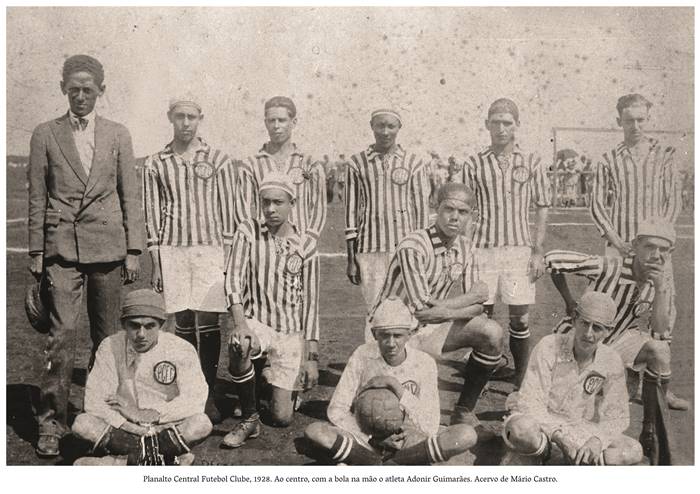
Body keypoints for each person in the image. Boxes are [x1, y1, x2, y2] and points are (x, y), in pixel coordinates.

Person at [27, 54, 143, 457]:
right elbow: (37, 197)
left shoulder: (118, 134)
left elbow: (130, 194)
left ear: (101, 91)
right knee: (61, 338)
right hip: (62, 253)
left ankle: (106, 416)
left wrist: (132, 250)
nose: (80, 96)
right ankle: (51, 423)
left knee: (109, 339)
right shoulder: (45, 133)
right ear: (63, 89)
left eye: (88, 90)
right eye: (73, 89)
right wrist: (37, 252)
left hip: (109, 251)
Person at [544, 218, 686, 464]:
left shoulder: (661, 281)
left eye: (664, 250)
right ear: (635, 245)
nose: (656, 254)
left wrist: (661, 289)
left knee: (660, 350)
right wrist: (569, 301)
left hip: (617, 341)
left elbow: (660, 330)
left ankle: (650, 429)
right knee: (565, 406)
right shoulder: (609, 266)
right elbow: (553, 259)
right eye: (650, 246)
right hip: (579, 341)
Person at [370, 183, 504, 431]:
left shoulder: (465, 246)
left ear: (471, 215)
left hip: (430, 327)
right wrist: (465, 301)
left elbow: (479, 305)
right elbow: (422, 309)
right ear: (436, 208)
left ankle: (463, 412)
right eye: (448, 209)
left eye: (463, 212)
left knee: (491, 332)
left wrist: (445, 309)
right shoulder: (414, 245)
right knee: (395, 417)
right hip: (394, 333)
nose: (455, 217)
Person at [142, 95, 236, 423]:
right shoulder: (156, 163)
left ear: (200, 118)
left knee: (208, 321)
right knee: (181, 322)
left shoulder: (219, 160)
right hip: (172, 250)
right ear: (170, 117)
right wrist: (156, 263)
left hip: (210, 249)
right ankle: (188, 387)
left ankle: (208, 390)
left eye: (192, 117)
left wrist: (227, 259)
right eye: (179, 116)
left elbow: (228, 211)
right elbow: (152, 216)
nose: (185, 123)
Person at [302, 297, 477, 465]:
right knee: (315, 431)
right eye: (384, 335)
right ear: (374, 334)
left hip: (410, 439)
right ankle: (377, 462)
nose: (391, 343)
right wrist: (372, 438)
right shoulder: (363, 355)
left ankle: (389, 462)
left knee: (466, 435)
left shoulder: (424, 362)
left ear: (410, 334)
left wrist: (397, 389)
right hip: (367, 438)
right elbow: (337, 409)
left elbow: (431, 422)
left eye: (398, 335)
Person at [451, 98, 551, 388]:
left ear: (517, 125)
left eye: (508, 122)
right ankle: (482, 379)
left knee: (519, 318)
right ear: (487, 125)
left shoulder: (531, 161)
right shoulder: (474, 163)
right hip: (482, 250)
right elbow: (465, 208)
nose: (502, 128)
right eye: (496, 122)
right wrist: (464, 249)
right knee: (483, 318)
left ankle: (522, 381)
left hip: (519, 251)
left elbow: (542, 205)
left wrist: (538, 249)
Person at [222, 173, 318, 448]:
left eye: (278, 202)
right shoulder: (249, 230)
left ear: (292, 203)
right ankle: (250, 418)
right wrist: (241, 324)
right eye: (265, 202)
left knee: (281, 418)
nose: (271, 209)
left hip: (290, 333)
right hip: (258, 323)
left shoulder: (307, 244)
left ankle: (264, 380)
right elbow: (233, 279)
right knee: (239, 343)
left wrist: (311, 356)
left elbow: (311, 301)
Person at [71, 289, 212, 466]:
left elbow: (195, 399)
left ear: (162, 324)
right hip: (124, 428)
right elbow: (93, 402)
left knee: (201, 424)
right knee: (82, 424)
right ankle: (168, 459)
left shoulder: (181, 348)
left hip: (166, 425)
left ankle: (120, 462)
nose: (141, 334)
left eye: (149, 326)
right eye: (134, 325)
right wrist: (134, 427)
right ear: (124, 324)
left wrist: (153, 415)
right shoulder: (109, 346)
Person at [235, 96, 326, 367]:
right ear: (265, 122)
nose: (276, 126)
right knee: (261, 303)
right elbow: (243, 210)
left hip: (297, 249)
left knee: (297, 304)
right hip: (261, 247)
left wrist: (304, 243)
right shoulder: (252, 163)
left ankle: (289, 366)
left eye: (282, 120)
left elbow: (318, 207)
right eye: (271, 120)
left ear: (293, 122)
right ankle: (259, 365)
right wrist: (254, 243)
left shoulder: (309, 164)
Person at [502, 292, 642, 466]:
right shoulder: (549, 345)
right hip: (541, 425)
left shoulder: (611, 359)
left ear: (608, 331)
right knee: (520, 430)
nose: (588, 334)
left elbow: (616, 415)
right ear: (574, 319)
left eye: (597, 327)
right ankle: (550, 455)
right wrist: (559, 438)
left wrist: (597, 440)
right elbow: (531, 403)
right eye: (584, 323)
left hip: (576, 426)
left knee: (633, 450)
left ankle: (564, 461)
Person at [345, 109, 432, 332]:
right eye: (380, 126)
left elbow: (421, 212)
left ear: (399, 128)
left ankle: (406, 359)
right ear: (371, 126)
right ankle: (373, 360)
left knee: (409, 307)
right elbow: (351, 212)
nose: (385, 132)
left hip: (406, 250)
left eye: (391, 126)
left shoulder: (414, 163)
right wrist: (351, 258)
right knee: (374, 309)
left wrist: (423, 252)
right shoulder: (356, 163)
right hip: (370, 249)